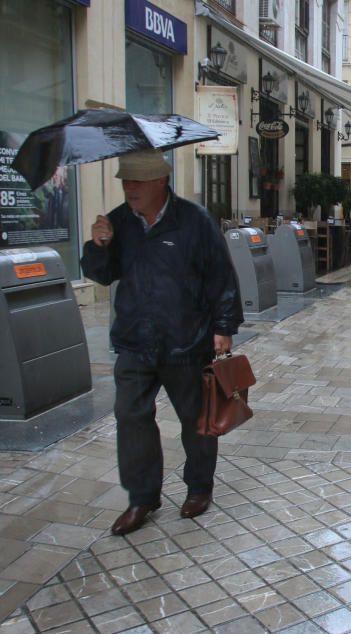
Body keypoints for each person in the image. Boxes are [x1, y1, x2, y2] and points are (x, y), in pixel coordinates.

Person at [81, 150, 243, 536]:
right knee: (130, 417)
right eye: (125, 182)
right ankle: (142, 497)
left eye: (136, 182)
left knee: (196, 420)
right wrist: (99, 246)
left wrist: (223, 326)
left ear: (160, 182)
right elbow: (101, 275)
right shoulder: (119, 222)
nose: (129, 189)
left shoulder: (194, 221)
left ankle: (200, 487)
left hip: (186, 341)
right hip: (135, 341)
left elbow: (220, 276)